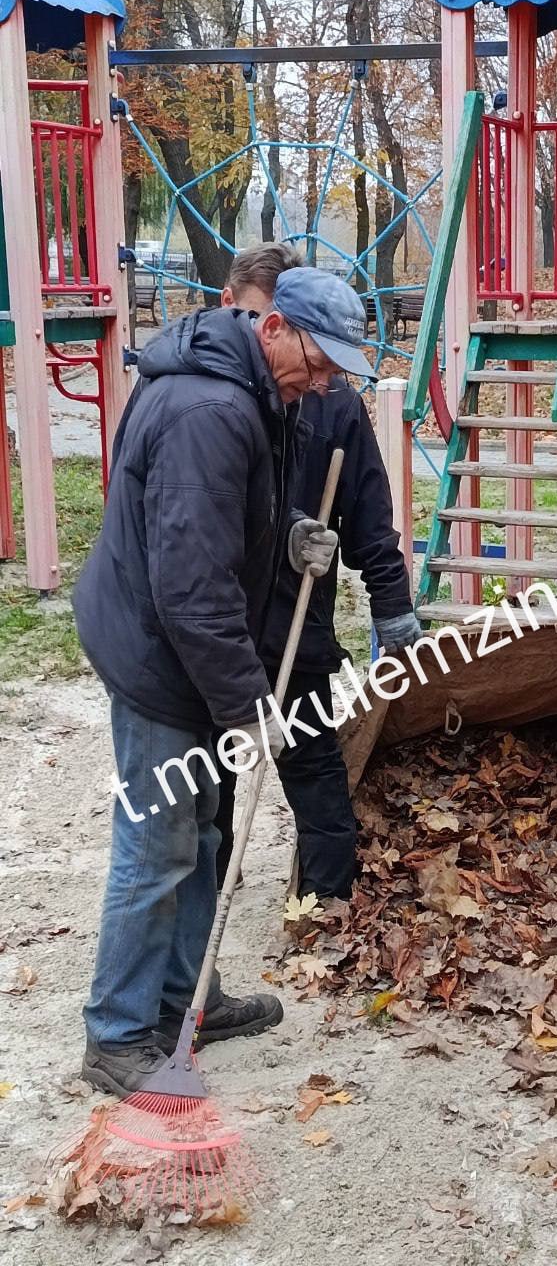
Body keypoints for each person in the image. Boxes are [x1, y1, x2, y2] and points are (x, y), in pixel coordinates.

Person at [74, 267, 374, 1097]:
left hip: (187, 646)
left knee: (201, 832)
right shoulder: (209, 410)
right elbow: (191, 588)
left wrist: (291, 536)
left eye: (337, 368)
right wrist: (248, 708)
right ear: (273, 325)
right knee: (159, 844)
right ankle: (119, 1036)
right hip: (157, 655)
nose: (326, 381)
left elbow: (226, 518)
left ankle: (186, 1001)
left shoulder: (254, 391)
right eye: (319, 360)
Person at [213, 242, 420, 901]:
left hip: (297, 617)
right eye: (251, 316)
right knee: (208, 769)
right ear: (233, 308)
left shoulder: (330, 400)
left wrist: (392, 606)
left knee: (311, 760)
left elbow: (368, 511)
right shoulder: (211, 396)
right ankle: (211, 879)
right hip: (219, 624)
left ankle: (327, 897)